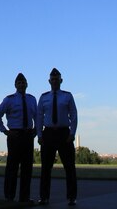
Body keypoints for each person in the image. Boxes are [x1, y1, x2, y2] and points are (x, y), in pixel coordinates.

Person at [0, 72, 37, 203]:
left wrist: (36, 130)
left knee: (27, 168)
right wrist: (5, 131)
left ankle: (25, 197)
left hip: (28, 135)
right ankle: (9, 196)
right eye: (19, 83)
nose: (21, 85)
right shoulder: (9, 99)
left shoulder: (32, 99)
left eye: (23, 83)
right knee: (12, 167)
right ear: (15, 85)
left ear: (27, 84)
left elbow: (37, 116)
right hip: (15, 135)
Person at [37, 68, 78, 206]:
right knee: (45, 168)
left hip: (64, 133)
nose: (54, 81)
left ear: (61, 81)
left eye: (57, 79)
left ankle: (72, 197)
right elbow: (39, 117)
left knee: (69, 167)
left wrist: (72, 133)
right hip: (48, 133)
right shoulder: (43, 97)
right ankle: (44, 197)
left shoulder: (67, 96)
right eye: (52, 79)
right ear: (49, 81)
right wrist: (40, 134)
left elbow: (73, 115)